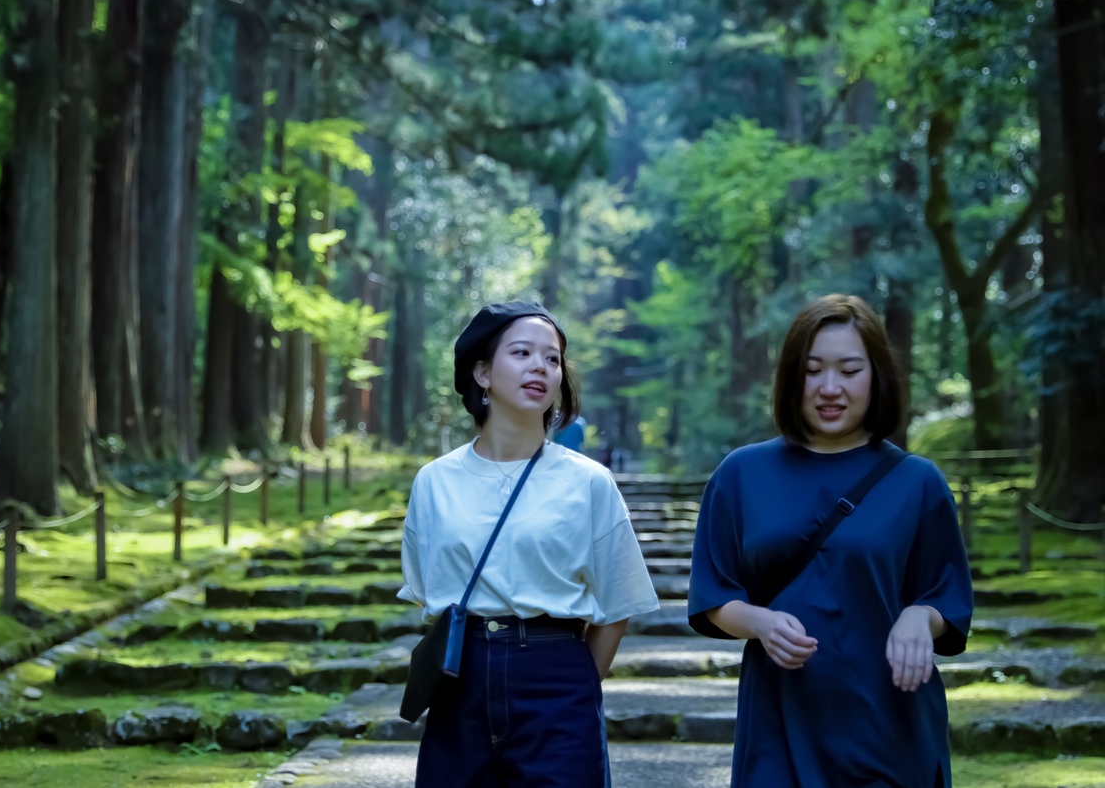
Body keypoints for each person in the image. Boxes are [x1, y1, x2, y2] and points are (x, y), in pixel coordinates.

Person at [687, 294, 973, 788]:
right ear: (791, 377)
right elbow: (713, 596)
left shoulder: (918, 482)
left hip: (890, 724)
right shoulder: (741, 474)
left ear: (876, 376)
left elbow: (946, 599)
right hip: (780, 721)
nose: (829, 387)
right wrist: (761, 622)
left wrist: (917, 617)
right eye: (813, 369)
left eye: (849, 369)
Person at [398, 300, 659, 787]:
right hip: (460, 681)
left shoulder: (589, 482)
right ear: (482, 372)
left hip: (556, 674)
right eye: (521, 353)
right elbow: (427, 592)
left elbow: (616, 605)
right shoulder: (434, 481)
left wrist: (575, 687)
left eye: (553, 358)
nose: (540, 366)